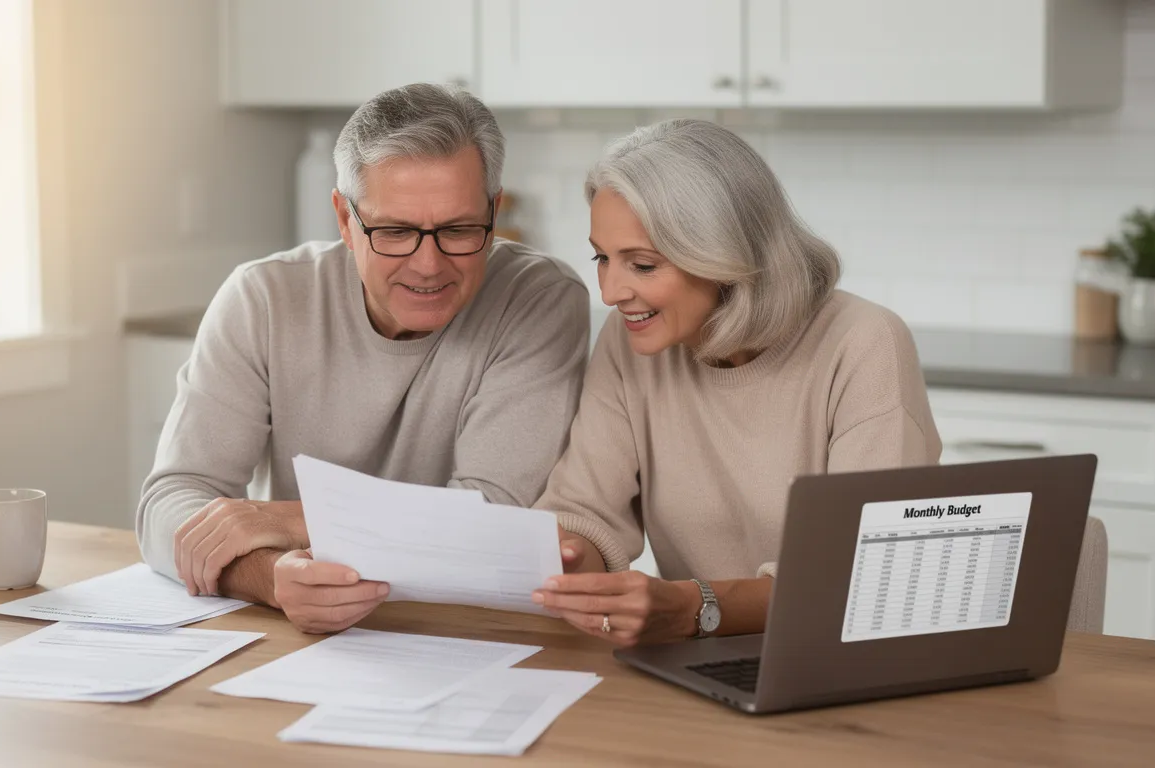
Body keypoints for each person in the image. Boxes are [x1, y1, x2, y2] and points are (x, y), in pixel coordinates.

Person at [138, 83, 590, 634]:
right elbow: (170, 502)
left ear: (494, 213)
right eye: (395, 231)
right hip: (305, 643)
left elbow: (490, 516)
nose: (429, 264)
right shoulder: (263, 298)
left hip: (473, 633)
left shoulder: (538, 300)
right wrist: (270, 577)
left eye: (458, 229)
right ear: (344, 219)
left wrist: (280, 519)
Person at [532, 119, 941, 647]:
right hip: (701, 660)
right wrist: (570, 562)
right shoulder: (632, 339)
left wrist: (692, 606)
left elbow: (858, 575)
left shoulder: (864, 343)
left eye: (642, 264)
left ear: (725, 256)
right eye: (602, 258)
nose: (611, 291)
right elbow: (584, 509)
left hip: (846, 658)